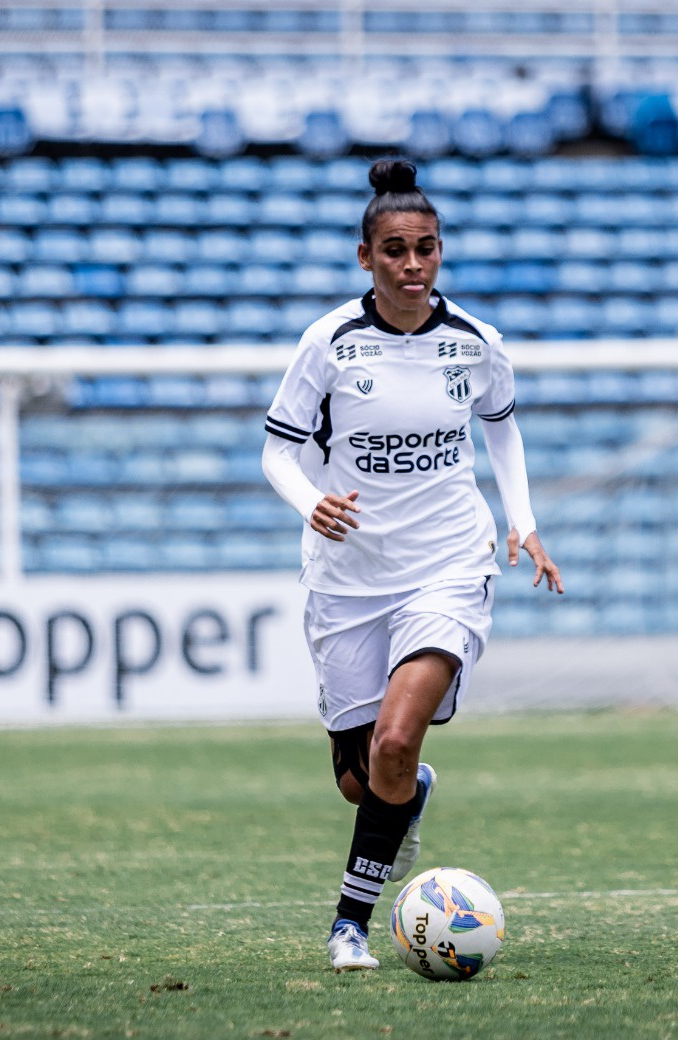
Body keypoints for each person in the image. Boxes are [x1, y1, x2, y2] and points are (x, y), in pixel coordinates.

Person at [261, 159, 562, 972]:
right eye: (394, 250)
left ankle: (349, 925)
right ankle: (409, 794)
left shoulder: (475, 342)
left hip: (449, 564)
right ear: (366, 257)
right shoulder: (328, 343)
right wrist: (310, 503)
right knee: (363, 779)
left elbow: (501, 427)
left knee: (395, 740)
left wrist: (524, 523)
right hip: (347, 577)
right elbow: (277, 452)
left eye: (426, 247)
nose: (412, 264)